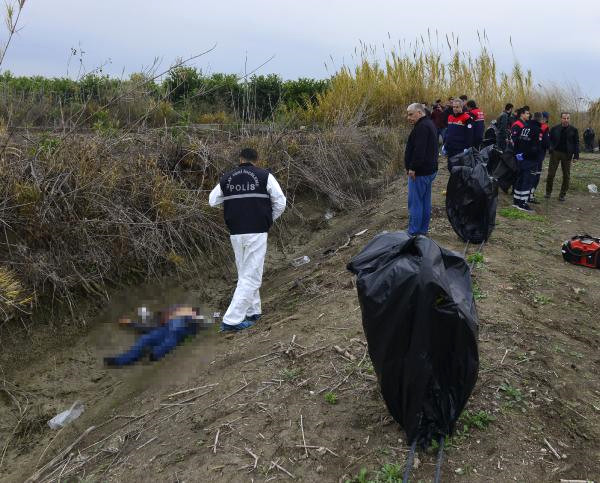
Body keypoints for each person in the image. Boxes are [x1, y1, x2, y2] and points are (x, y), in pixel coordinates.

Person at [209, 148, 286, 331]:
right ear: (256, 160)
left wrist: (233, 201)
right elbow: (280, 202)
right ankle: (232, 320)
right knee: (252, 276)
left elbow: (212, 200)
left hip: (236, 232)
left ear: (240, 159)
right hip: (256, 231)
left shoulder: (227, 177)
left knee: (245, 273)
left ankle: (253, 312)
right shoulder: (264, 176)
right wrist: (267, 219)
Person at [104, 306, 203, 367]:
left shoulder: (184, 322)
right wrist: (131, 324)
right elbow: (148, 329)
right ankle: (118, 361)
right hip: (165, 330)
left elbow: (172, 340)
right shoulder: (167, 320)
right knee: (145, 339)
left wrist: (155, 355)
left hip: (176, 330)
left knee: (170, 338)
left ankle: (151, 354)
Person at [404, 103, 438, 236]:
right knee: (424, 202)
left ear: (419, 112)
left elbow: (419, 151)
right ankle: (422, 231)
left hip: (420, 172)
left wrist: (412, 168)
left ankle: (413, 232)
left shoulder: (422, 127)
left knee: (415, 203)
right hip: (429, 170)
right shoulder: (428, 123)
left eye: (411, 114)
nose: (409, 117)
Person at [512, 112, 544, 212]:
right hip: (530, 160)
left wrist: (518, 154)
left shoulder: (524, 127)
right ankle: (523, 203)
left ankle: (516, 201)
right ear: (541, 120)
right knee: (528, 181)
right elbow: (535, 148)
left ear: (532, 118)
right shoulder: (537, 130)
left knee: (520, 179)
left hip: (521, 159)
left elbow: (516, 141)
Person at [546, 112, 579, 201]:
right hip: (555, 153)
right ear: (561, 119)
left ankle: (562, 195)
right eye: (564, 118)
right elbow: (549, 140)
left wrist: (576, 156)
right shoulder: (555, 128)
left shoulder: (574, 130)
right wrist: (550, 148)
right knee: (551, 174)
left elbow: (576, 143)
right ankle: (548, 192)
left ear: (569, 119)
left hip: (567, 154)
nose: (566, 120)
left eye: (568, 118)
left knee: (566, 175)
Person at [443, 99, 474, 168]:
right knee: (450, 167)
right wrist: (444, 144)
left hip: (459, 149)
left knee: (457, 169)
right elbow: (448, 132)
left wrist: (467, 148)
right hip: (450, 147)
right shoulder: (450, 117)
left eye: (457, 107)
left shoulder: (467, 118)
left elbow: (470, 134)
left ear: (461, 107)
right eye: (454, 107)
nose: (455, 109)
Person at [529, 112, 550, 203]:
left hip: (528, 154)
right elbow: (546, 143)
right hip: (539, 155)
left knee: (527, 174)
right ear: (544, 119)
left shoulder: (528, 125)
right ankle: (531, 195)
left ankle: (523, 193)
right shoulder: (544, 127)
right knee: (536, 175)